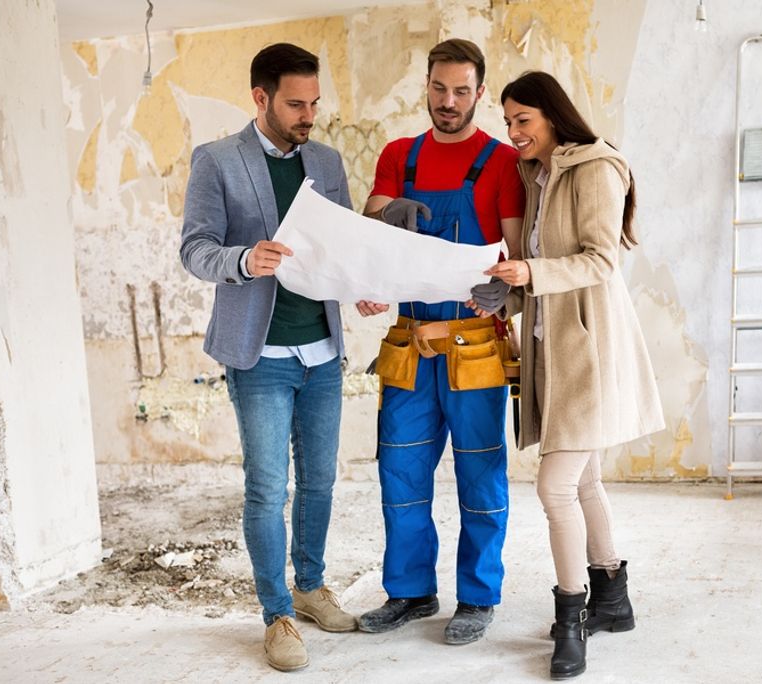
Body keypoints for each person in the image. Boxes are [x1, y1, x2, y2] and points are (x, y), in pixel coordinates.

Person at [468, 71, 665, 680]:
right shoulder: (538, 173)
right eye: (507, 122)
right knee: (583, 484)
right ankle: (614, 600)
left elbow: (602, 259)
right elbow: (545, 262)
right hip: (555, 346)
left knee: (555, 487)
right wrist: (508, 295)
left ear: (553, 116)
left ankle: (571, 618)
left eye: (523, 119)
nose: (513, 132)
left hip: (590, 348)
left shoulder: (597, 168)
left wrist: (531, 275)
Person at [180, 42, 357, 672]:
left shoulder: (328, 162)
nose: (309, 114)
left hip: (323, 351)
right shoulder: (216, 160)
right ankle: (277, 612)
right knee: (267, 488)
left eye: (314, 102)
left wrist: (357, 286)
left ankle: (310, 587)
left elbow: (339, 245)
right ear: (260, 98)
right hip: (258, 356)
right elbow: (194, 249)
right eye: (295, 103)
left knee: (320, 481)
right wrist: (243, 260)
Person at [354, 38, 526, 646]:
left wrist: (505, 292)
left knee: (481, 477)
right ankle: (409, 592)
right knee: (399, 474)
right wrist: (379, 234)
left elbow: (513, 249)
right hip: (407, 344)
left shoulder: (502, 161)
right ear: (424, 85)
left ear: (480, 92)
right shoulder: (398, 156)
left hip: (474, 342)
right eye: (437, 88)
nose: (447, 102)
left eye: (460, 91)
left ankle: (477, 596)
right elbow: (370, 234)